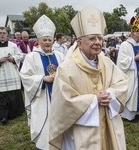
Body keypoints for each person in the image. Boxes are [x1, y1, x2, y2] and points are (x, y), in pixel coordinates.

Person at [49, 5, 128, 150]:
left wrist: (110, 94)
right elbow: (63, 103)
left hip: (108, 123)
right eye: (92, 38)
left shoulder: (106, 62)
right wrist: (94, 100)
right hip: (82, 131)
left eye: (100, 38)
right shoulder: (66, 68)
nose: (98, 42)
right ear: (79, 43)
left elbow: (122, 83)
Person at [20, 15, 64, 150]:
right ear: (38, 41)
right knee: (45, 127)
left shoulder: (59, 55)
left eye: (49, 40)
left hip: (59, 96)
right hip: (41, 98)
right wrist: (43, 79)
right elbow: (24, 76)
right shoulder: (31, 57)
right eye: (44, 40)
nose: (47, 42)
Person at [0, 27, 25, 124]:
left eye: (4, 33)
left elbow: (20, 55)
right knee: (0, 95)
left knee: (13, 94)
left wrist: (13, 58)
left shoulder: (13, 45)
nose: (2, 35)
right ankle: (3, 116)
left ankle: (15, 113)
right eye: (0, 33)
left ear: (7, 34)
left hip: (11, 73)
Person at [117, 16, 139, 121]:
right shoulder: (125, 44)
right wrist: (135, 58)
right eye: (138, 32)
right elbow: (121, 61)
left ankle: (137, 112)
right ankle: (128, 115)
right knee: (132, 92)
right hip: (131, 74)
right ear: (133, 33)